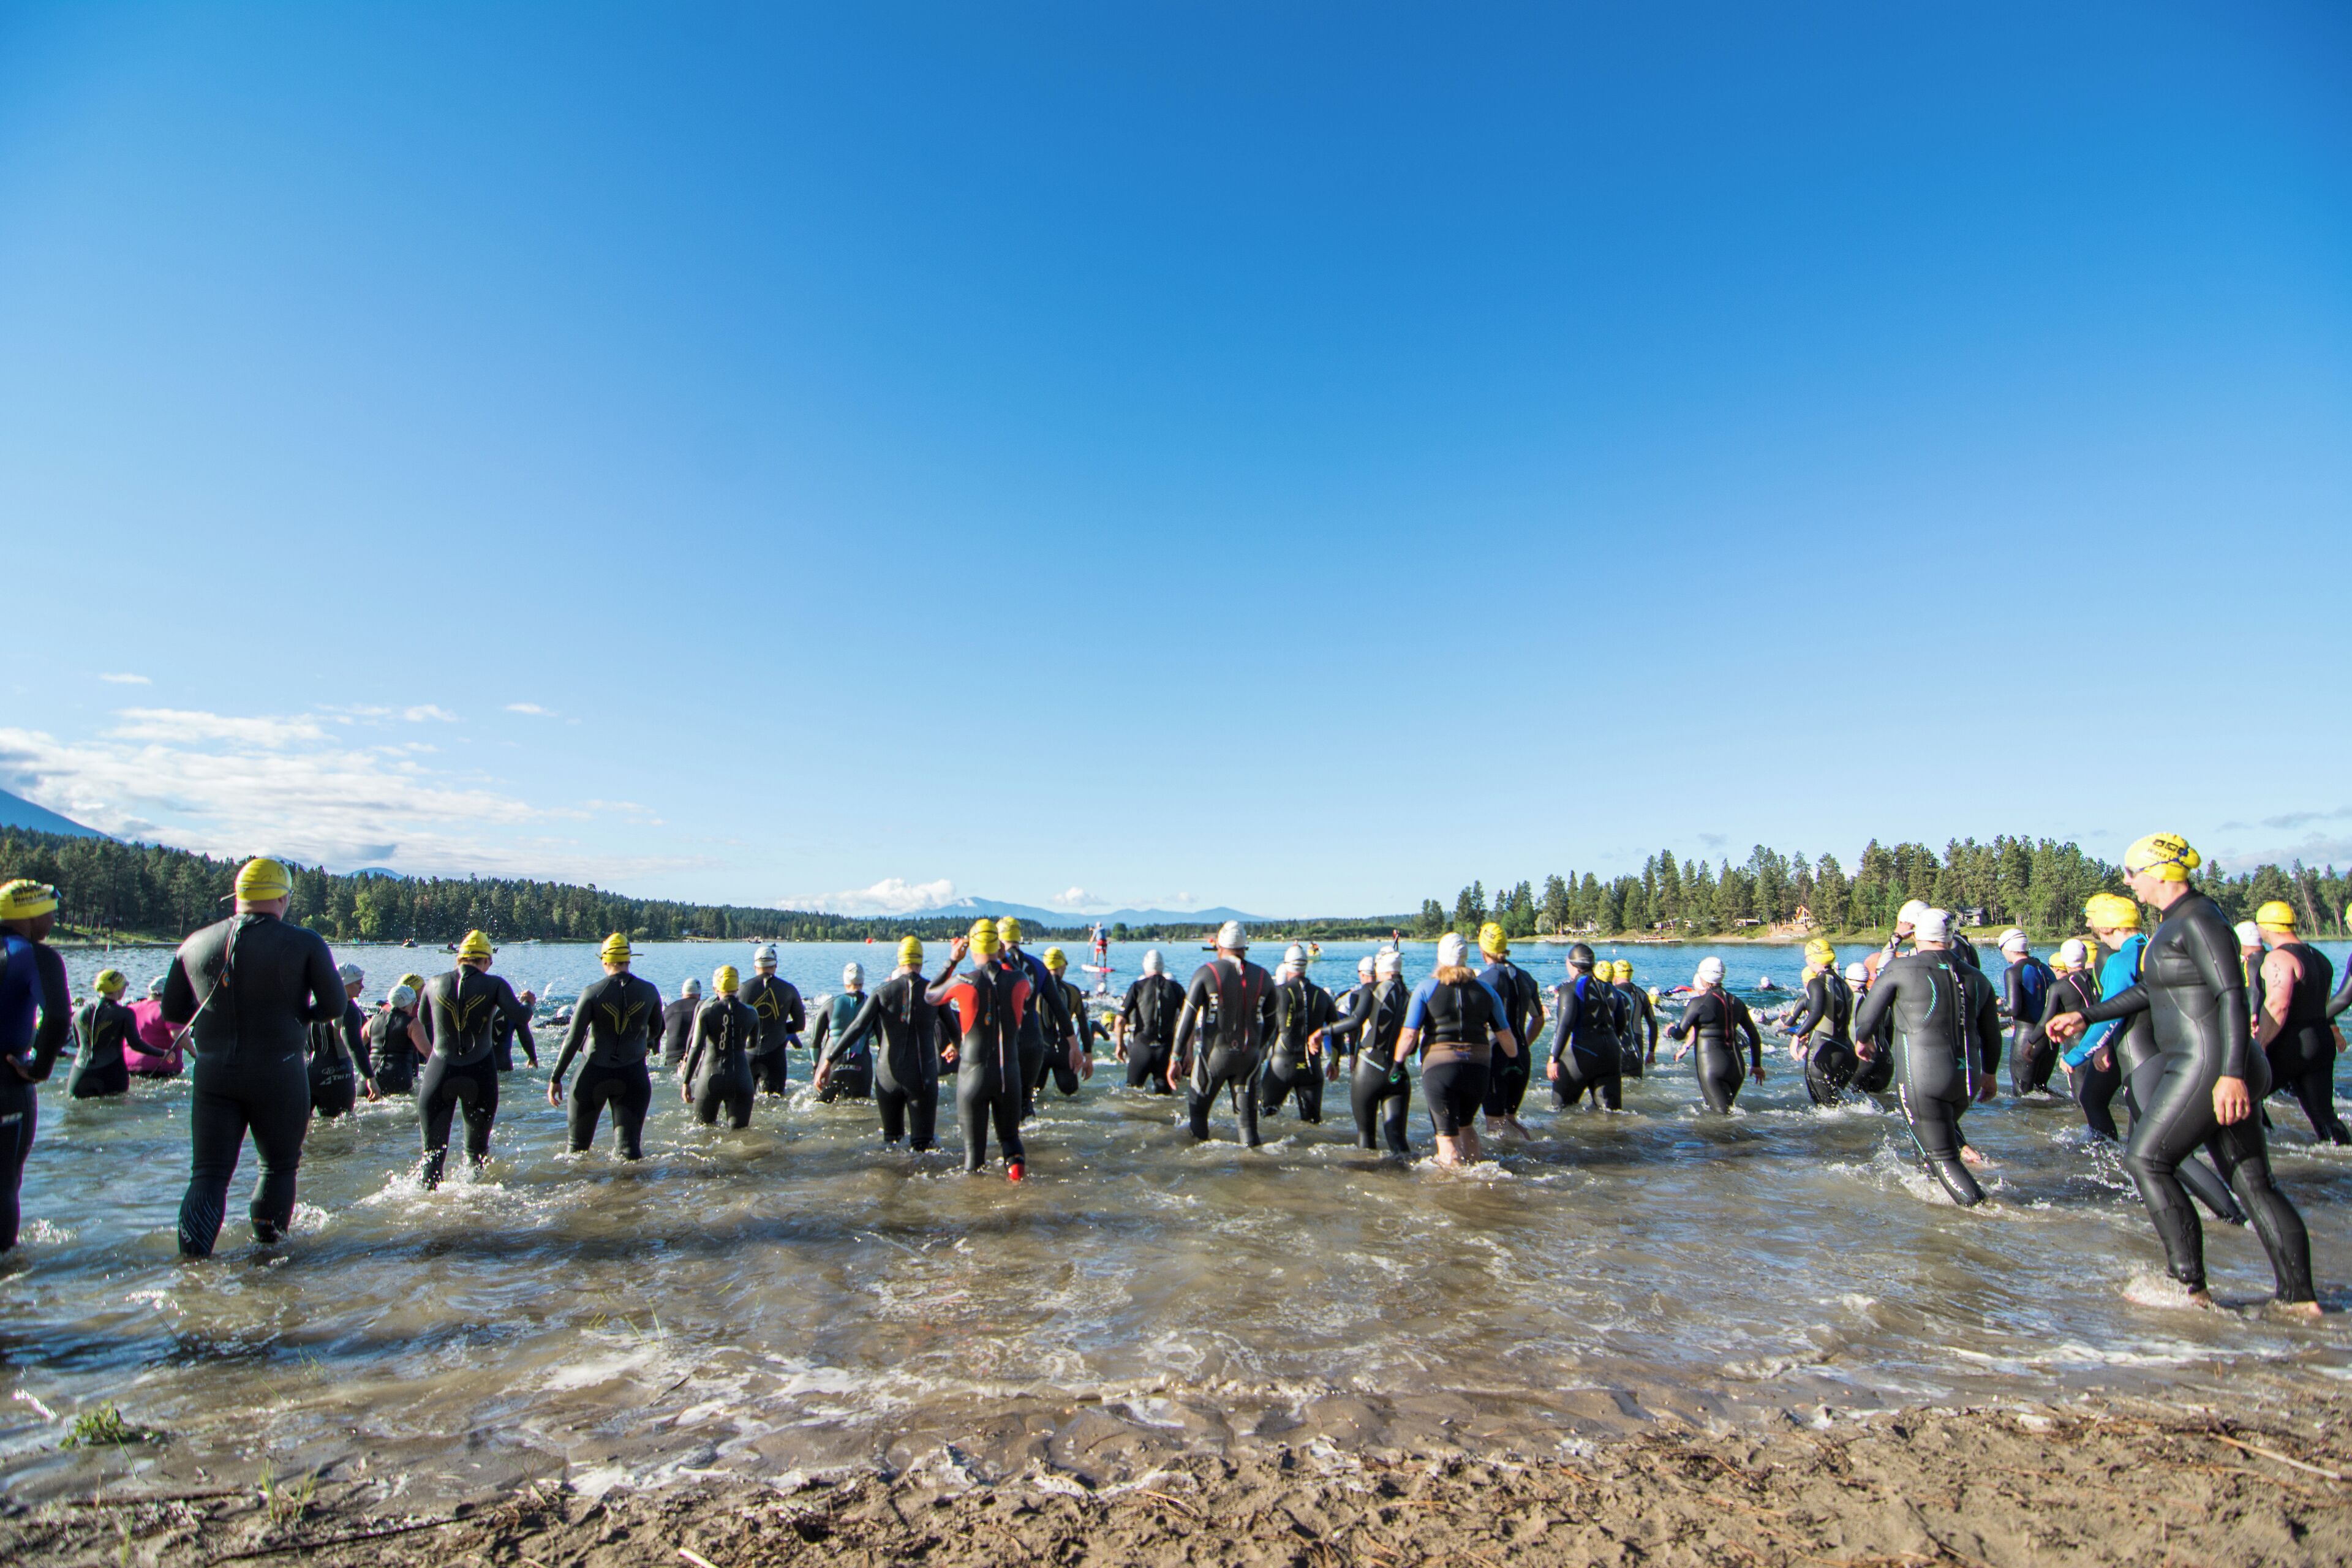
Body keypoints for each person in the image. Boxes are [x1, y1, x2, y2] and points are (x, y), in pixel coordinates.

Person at [2046, 834, 2315, 1312]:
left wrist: (2231, 1073)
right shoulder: (2176, 924)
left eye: (2132, 873)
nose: (2128, 883)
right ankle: (2299, 1302)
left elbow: (2232, 993)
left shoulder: (2198, 919)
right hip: (2214, 1062)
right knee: (2253, 1184)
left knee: (2147, 1159)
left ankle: (2187, 1284)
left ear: (2161, 872)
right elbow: (2150, 991)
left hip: (2212, 1063)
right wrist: (2085, 1017)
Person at [160, 858, 347, 1257]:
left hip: (213, 1075)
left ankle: (193, 1270)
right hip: (278, 1070)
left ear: (239, 897)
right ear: (283, 897)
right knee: (277, 1167)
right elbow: (335, 1004)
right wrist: (301, 1018)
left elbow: (173, 1014)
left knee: (208, 1174)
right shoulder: (304, 942)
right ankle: (268, 1260)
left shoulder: (193, 943)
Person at [1850, 909, 2001, 1205]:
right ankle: (1936, 1213)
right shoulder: (1978, 978)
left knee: (1944, 1155)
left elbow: (1867, 1017)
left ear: (1917, 935)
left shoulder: (1901, 969)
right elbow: (1992, 1035)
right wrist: (1991, 1074)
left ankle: (1985, 1214)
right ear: (1950, 937)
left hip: (1925, 1078)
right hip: (1967, 1080)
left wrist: (1862, 1040)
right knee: (1932, 1143)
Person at [415, 928, 537, 1189]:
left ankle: (428, 1217)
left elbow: (424, 1019)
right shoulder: (495, 984)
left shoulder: (433, 983)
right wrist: (529, 1004)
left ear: (458, 958)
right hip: (479, 1073)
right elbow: (521, 1016)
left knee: (432, 1157)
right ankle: (475, 1218)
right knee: (475, 1155)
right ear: (485, 960)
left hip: (439, 1072)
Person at [1394, 932, 1518, 1166]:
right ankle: (1477, 1178)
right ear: (1466, 958)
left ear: (1440, 957)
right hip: (1478, 1068)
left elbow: (1410, 1034)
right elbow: (1505, 1035)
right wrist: (1514, 1060)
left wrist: (1397, 1064)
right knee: (1467, 1125)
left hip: (1441, 1069)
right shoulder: (1487, 992)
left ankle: (1453, 1193)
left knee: (1446, 1136)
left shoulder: (1425, 989)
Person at [0, 880, 71, 1252]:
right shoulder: (34, 955)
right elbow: (59, 1018)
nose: (54, 920)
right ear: (30, 914)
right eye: (50, 912)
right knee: (3, 1182)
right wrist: (40, 1069)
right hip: (7, 1081)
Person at [927, 921, 1030, 1178]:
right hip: (1009, 1075)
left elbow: (929, 996)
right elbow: (1025, 984)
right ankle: (1019, 1188)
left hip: (973, 1076)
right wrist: (1004, 959)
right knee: (1010, 1140)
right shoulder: (1019, 979)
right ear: (999, 947)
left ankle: (977, 1209)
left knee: (974, 1157)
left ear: (971, 948)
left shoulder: (963, 980)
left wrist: (952, 962)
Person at [818, 937, 940, 1149]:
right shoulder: (933, 992)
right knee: (923, 1146)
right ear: (922, 961)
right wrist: (954, 1045)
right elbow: (954, 1030)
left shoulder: (881, 992)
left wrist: (828, 1060)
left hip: (888, 1076)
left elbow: (856, 1028)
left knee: (891, 1143)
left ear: (899, 961)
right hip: (922, 1075)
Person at [548, 933, 662, 1162]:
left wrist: (556, 1078)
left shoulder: (592, 992)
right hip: (633, 1077)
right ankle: (633, 1195)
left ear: (604, 960)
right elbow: (657, 1029)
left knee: (576, 1152)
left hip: (592, 1075)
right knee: (630, 1154)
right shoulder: (650, 991)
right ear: (629, 959)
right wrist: (648, 1045)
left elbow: (572, 1039)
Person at [1169, 921, 1277, 1147]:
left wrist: (1176, 1058)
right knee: (1249, 1131)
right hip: (1250, 1060)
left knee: (1198, 1121)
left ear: (1219, 945)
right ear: (1244, 947)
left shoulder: (1206, 973)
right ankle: (1257, 1176)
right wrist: (1260, 1049)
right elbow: (1273, 1023)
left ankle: (1200, 1174)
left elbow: (1186, 1020)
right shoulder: (1264, 976)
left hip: (1214, 1058)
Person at [2252, 900, 2348, 1145]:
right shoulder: (2320, 958)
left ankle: (2263, 1153)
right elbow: (2325, 1005)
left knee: (2246, 1096)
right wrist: (2334, 1031)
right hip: (2321, 1042)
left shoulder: (2279, 958)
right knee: (2325, 1117)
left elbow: (2278, 1005)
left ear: (2266, 927)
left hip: (2291, 1045)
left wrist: (2260, 1043)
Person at [1331, 947, 1414, 1155]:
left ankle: (1367, 1183)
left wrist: (1322, 1032)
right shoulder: (1410, 995)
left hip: (1369, 1069)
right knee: (1398, 1140)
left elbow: (1355, 1022)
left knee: (1366, 1136)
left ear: (1381, 969)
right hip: (1398, 1072)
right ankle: (1406, 1181)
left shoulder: (1370, 990)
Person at [998, 918, 1081, 1115]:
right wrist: (1075, 1046)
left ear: (999, 938)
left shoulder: (994, 965)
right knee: (1026, 1103)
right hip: (1033, 1043)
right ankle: (1034, 1144)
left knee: (1004, 1104)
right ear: (1019, 937)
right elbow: (1060, 1009)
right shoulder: (1038, 966)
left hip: (1005, 1042)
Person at [1665, 957, 1763, 1112]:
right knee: (1728, 1111)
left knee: (1720, 1120)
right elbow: (1754, 1035)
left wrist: (1670, 1030)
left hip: (1712, 1066)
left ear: (1702, 977)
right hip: (1737, 1068)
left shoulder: (1698, 1003)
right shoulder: (1737, 1002)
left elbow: (1679, 1034)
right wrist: (1757, 1065)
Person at [1477, 924, 1545, 1140]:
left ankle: (1506, 1170)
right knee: (1511, 1120)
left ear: (1483, 950)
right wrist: (1522, 1045)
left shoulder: (1485, 981)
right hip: (1522, 1057)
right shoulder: (1526, 978)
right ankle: (1532, 1152)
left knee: (1494, 1125)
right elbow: (1539, 1019)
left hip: (1497, 1057)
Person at [1260, 943, 1335, 1125]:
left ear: (1286, 966)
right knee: (1312, 1124)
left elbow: (1263, 1027)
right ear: (1306, 965)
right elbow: (1337, 1030)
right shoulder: (1323, 995)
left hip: (1281, 1065)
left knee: (1265, 1119)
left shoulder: (1277, 993)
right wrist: (1335, 1061)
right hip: (1312, 1067)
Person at [683, 964, 758, 1129]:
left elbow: (695, 1048)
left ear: (715, 988)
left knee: (703, 1133)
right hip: (741, 1078)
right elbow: (753, 1045)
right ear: (737, 987)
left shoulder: (707, 1012)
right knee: (740, 1135)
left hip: (710, 1078)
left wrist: (686, 1082)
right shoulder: (751, 1013)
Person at [1547, 944, 1622, 1111]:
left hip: (1580, 1055)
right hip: (1611, 1054)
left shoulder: (1569, 989)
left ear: (1571, 964)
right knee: (1610, 1115)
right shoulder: (1610, 988)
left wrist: (1554, 1058)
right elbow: (1622, 1022)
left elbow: (1565, 1024)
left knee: (1561, 1112)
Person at [2032, 939, 2103, 1111]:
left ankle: (2091, 1136)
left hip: (2076, 1045)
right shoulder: (2098, 977)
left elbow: (2046, 1021)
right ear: (2085, 956)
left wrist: (2030, 1042)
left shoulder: (2059, 987)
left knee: (2081, 1103)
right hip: (2102, 1042)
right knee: (2101, 1101)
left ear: (2063, 960)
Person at [1787, 940, 1859, 1107]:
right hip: (1848, 1052)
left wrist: (1797, 1038)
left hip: (1825, 1049)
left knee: (1823, 1110)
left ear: (1812, 959)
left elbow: (1817, 1013)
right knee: (1838, 1107)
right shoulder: (1844, 983)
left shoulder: (1816, 982)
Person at [306, 962, 373, 1118]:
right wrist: (370, 1077)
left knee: (305, 1130)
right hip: (338, 1075)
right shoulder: (347, 1009)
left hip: (307, 1074)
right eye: (358, 983)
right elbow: (355, 1046)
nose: (362, 987)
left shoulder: (313, 1003)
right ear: (345, 984)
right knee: (341, 1130)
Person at [1115, 949, 1184, 1093]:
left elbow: (1120, 1020)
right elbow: (1189, 1021)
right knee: (1165, 1097)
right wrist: (1188, 1053)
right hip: (1166, 1051)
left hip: (1141, 1049)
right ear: (1163, 967)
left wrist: (1120, 1045)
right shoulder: (1176, 988)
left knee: (1131, 1093)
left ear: (1145, 966)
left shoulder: (1137, 987)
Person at [740, 944, 804, 1096]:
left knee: (744, 1103)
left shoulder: (742, 989)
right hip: (775, 1055)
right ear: (775, 966)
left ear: (755, 966)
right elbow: (800, 1025)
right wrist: (780, 1028)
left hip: (747, 1054)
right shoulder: (789, 989)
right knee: (775, 1103)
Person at [807, 963, 876, 1102]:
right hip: (861, 1064)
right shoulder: (872, 1004)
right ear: (863, 981)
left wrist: (816, 1067)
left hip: (831, 1063)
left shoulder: (830, 1004)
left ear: (845, 981)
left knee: (821, 1109)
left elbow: (815, 1042)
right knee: (861, 1113)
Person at [2000, 931, 2059, 1094]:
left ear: (2008, 948)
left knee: (2022, 1093)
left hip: (2027, 1038)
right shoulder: (2046, 968)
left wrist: (1997, 1008)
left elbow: (2013, 1008)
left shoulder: (2013, 972)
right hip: (2050, 1039)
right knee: (2041, 1090)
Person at [69, 967, 140, 1099]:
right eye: (125, 986)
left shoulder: (78, 1013)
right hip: (112, 1073)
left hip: (80, 1073)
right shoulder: (125, 1013)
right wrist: (162, 1053)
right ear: (118, 988)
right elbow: (136, 1044)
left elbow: (79, 1044)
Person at [1040, 946, 1096, 1092]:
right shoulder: (1073, 991)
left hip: (1040, 1051)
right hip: (1066, 1052)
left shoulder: (1035, 990)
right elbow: (1084, 1026)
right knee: (1071, 1096)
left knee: (1033, 1097)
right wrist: (1088, 1058)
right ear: (1062, 965)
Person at [366, 982, 428, 1096]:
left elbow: (358, 1046)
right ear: (410, 1003)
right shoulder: (413, 1024)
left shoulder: (373, 1021)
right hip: (397, 1079)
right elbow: (427, 1052)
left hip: (370, 1079)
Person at [125, 975, 185, 1079]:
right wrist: (196, 1054)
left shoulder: (130, 1008)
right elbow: (178, 1034)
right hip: (161, 1067)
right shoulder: (167, 1009)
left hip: (128, 1066)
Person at [1612, 960, 1655, 1077]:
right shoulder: (1641, 994)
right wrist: (1651, 1051)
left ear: (1614, 975)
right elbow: (1653, 1024)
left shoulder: (1613, 993)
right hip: (1637, 1043)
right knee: (1636, 1081)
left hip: (1619, 1042)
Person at [661, 976, 701, 1069]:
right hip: (697, 1062)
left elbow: (654, 1039)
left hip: (671, 1061)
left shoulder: (668, 1010)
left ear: (682, 994)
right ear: (699, 994)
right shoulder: (704, 1008)